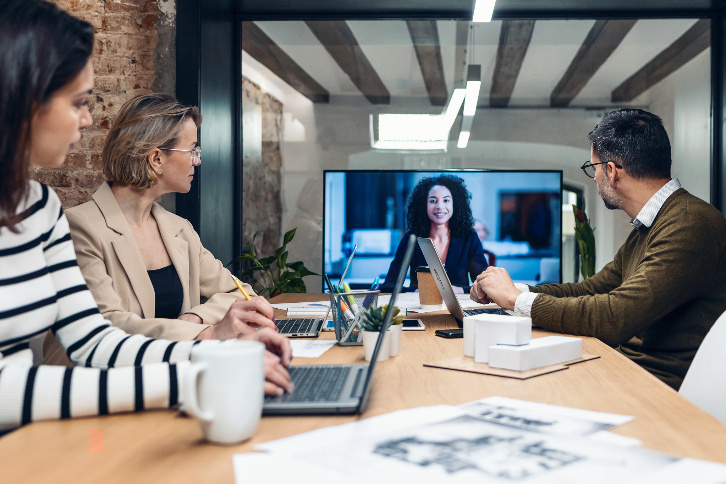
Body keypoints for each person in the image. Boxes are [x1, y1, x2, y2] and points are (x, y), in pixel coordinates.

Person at [0, 0, 291, 430]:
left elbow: (94, 342)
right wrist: (196, 371)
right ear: (25, 97)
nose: (87, 119)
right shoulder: (80, 223)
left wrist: (210, 354)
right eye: (78, 101)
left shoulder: (41, 209)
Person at [470, 109, 726, 390]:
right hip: (627, 369)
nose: (594, 177)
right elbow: (593, 289)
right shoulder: (652, 224)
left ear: (612, 171)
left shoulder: (689, 224)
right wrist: (515, 290)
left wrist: (514, 300)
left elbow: (616, 316)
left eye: (593, 168)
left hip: (658, 388)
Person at [43, 93, 284, 365]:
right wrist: (207, 333)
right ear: (156, 158)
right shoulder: (78, 227)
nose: (198, 160)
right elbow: (105, 326)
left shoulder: (179, 229)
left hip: (168, 382)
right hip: (92, 389)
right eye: (192, 149)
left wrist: (196, 317)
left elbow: (239, 292)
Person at [382, 175, 487, 293]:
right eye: (433, 201)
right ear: (423, 205)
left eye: (446, 200)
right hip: (420, 308)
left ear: (455, 204)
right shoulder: (411, 238)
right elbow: (389, 285)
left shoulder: (469, 238)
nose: (439, 206)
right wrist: (418, 292)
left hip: (459, 308)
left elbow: (484, 285)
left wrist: (459, 290)